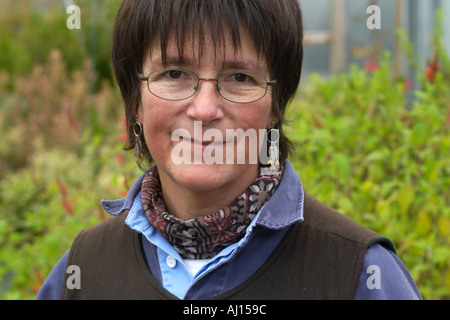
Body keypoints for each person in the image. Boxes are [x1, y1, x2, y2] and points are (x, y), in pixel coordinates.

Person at [37, 0, 421, 300]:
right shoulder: (82, 271)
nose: (204, 109)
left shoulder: (359, 276)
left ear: (276, 107)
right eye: (174, 74)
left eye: (239, 77)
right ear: (134, 101)